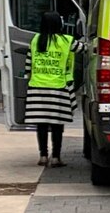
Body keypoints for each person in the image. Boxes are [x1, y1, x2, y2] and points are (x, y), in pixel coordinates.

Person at [24, 11, 85, 167]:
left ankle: (43, 156)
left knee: (41, 124)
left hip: (37, 87)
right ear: (59, 24)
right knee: (57, 125)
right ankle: (56, 157)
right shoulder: (67, 41)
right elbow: (85, 49)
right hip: (59, 88)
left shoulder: (36, 40)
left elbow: (29, 64)